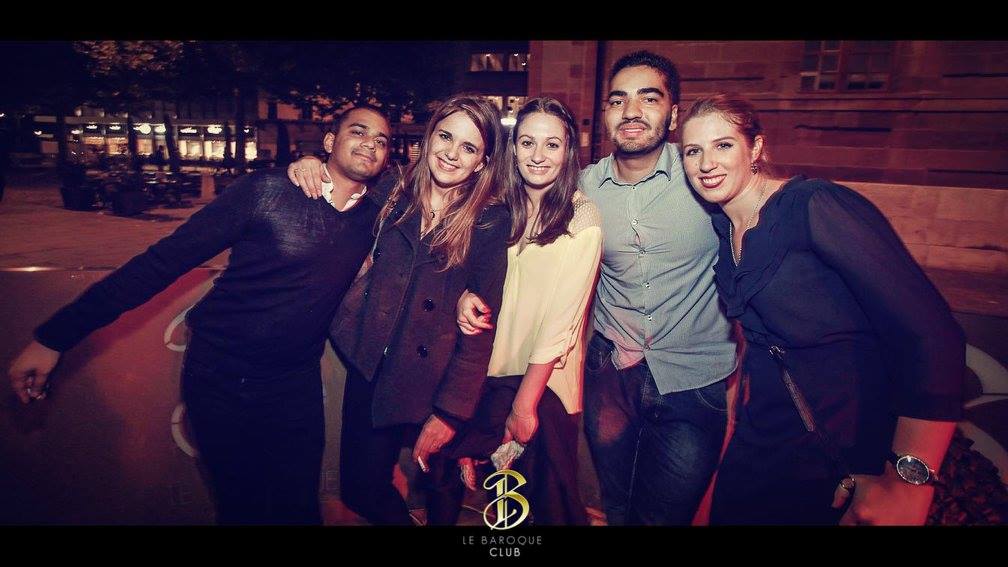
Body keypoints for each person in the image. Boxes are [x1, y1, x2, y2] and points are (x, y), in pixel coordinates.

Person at [7, 105, 393, 525]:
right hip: (219, 377)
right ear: (330, 141)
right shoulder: (267, 191)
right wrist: (54, 337)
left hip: (294, 384)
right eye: (359, 132)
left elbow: (433, 189)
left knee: (298, 509)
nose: (370, 144)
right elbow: (160, 264)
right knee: (241, 508)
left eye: (381, 140)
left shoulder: (376, 215)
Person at [679, 93, 965, 525]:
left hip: (835, 450)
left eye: (723, 145)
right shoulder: (724, 228)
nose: (706, 163)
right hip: (761, 441)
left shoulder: (815, 206)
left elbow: (932, 334)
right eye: (692, 151)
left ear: (755, 148)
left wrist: (910, 484)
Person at [289, 94, 510, 525]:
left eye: (468, 147)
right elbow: (337, 199)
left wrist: (449, 414)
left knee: (441, 488)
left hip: (439, 376)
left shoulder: (488, 219)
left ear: (482, 162)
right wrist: (310, 164)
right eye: (445, 137)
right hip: (374, 368)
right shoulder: (391, 190)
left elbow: (481, 328)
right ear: (428, 138)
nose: (452, 153)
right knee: (361, 489)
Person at [580, 50, 738, 525]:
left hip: (693, 381)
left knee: (666, 518)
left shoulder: (704, 177)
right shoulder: (583, 187)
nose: (631, 111)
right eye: (618, 100)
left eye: (648, 98)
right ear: (605, 113)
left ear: (672, 115)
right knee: (617, 505)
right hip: (611, 373)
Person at [447, 97, 602, 526]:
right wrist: (463, 294)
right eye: (528, 142)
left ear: (568, 151)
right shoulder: (499, 208)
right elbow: (471, 272)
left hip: (542, 388)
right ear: (513, 147)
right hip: (490, 377)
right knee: (503, 512)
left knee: (549, 510)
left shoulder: (581, 219)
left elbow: (560, 325)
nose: (538, 155)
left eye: (552, 144)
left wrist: (523, 406)